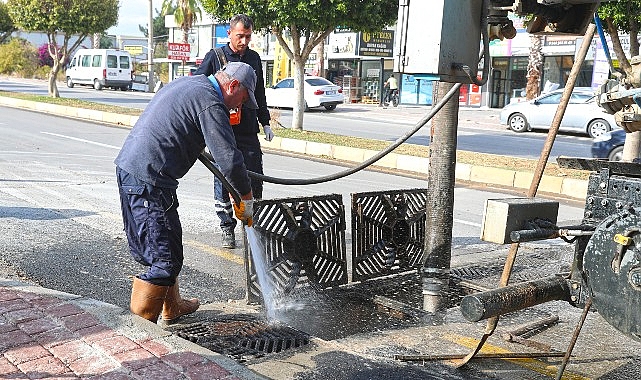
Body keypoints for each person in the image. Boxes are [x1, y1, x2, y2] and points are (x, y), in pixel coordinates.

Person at [114, 62, 257, 323]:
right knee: (164, 260)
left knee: (168, 246)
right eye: (243, 99)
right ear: (233, 85)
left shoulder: (191, 83)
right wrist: (246, 199)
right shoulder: (211, 101)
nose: (239, 106)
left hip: (139, 172)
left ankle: (173, 306)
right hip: (149, 180)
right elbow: (229, 160)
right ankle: (139, 333)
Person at [195, 14, 273, 249]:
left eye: (248, 36)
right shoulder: (215, 57)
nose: (244, 41)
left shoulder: (254, 59)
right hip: (222, 129)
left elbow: (259, 93)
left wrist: (265, 121)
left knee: (254, 175)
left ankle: (252, 224)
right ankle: (227, 227)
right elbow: (199, 88)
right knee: (224, 177)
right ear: (229, 33)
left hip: (248, 129)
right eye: (240, 36)